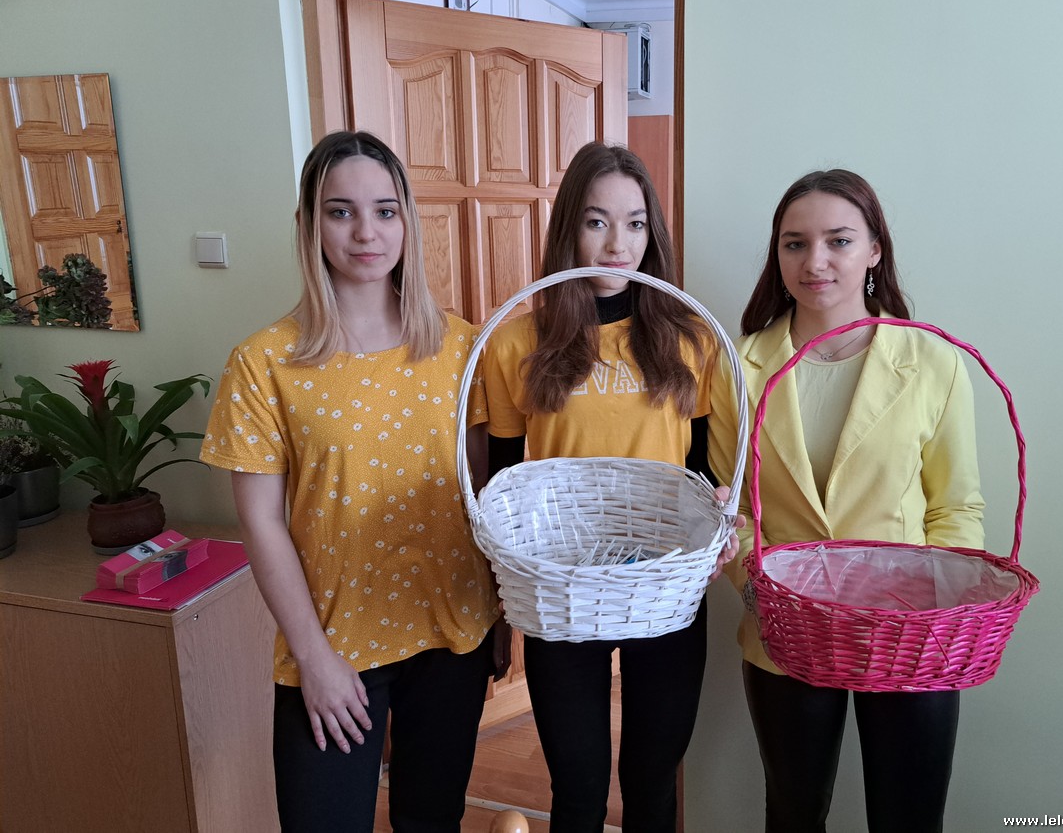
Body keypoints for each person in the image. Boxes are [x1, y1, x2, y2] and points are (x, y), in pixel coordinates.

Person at [201, 130, 508, 833]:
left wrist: (498, 613)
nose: (366, 232)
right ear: (309, 225)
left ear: (407, 222)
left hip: (452, 635)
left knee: (432, 820)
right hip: (331, 647)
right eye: (341, 212)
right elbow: (261, 522)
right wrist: (313, 658)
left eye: (385, 211)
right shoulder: (265, 363)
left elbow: (481, 493)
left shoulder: (460, 346)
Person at [708, 169, 985, 833]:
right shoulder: (736, 366)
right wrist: (763, 595)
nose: (816, 261)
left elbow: (956, 507)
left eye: (838, 240)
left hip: (912, 634)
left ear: (875, 250)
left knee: (909, 818)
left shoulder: (934, 361)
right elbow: (730, 512)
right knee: (793, 813)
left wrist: (938, 610)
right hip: (785, 632)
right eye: (795, 244)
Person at [483, 141, 739, 833]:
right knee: (578, 790)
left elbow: (704, 471)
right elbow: (501, 481)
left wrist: (722, 519)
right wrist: (496, 604)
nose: (617, 244)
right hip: (563, 589)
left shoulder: (690, 339)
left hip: (665, 587)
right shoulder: (515, 344)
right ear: (569, 228)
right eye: (596, 221)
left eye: (634, 223)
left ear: (652, 233)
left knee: (653, 786)